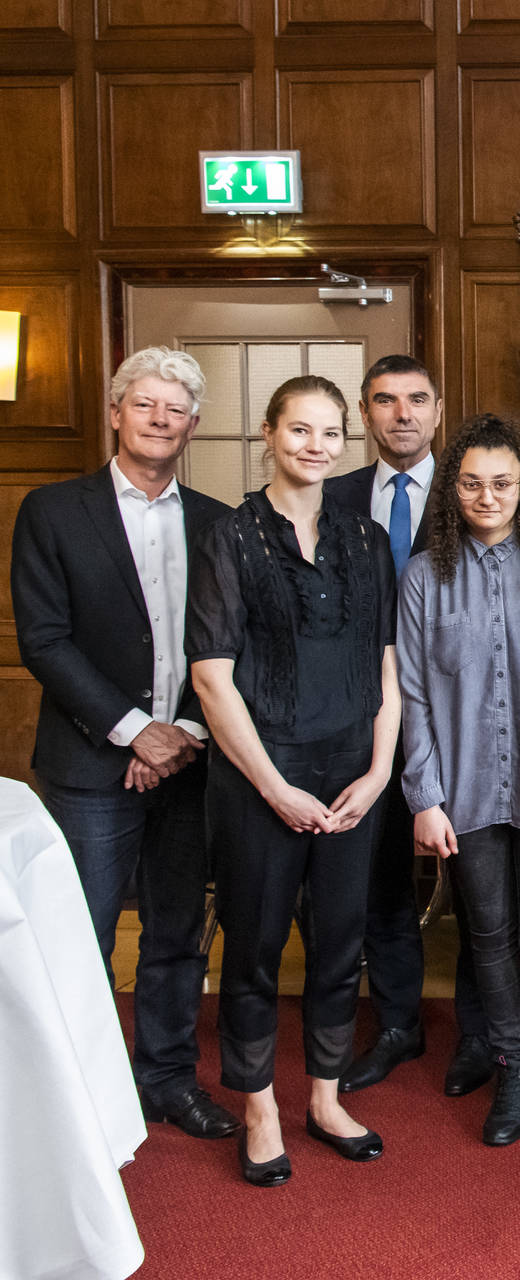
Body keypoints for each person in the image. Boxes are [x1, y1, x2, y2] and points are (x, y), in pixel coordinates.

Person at [11, 346, 235, 1140]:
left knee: (176, 933)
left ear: (194, 426)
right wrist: (138, 733)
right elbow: (44, 640)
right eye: (144, 404)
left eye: (176, 410)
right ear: (115, 413)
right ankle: (82, 1098)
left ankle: (168, 1078)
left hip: (191, 765)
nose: (160, 419)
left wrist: (184, 736)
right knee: (85, 935)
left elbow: (234, 644)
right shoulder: (52, 510)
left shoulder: (218, 521)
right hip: (89, 765)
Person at [187, 375, 400, 1186]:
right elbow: (212, 680)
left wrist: (380, 771)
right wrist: (275, 787)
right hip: (259, 778)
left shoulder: (368, 541)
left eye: (329, 432)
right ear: (268, 436)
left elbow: (387, 665)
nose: (315, 446)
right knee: (256, 948)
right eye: (298, 430)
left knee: (342, 945)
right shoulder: (229, 538)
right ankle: (261, 1106)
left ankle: (325, 1095)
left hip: (351, 774)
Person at [400, 415, 520, 1146]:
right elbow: (414, 691)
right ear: (453, 488)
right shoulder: (425, 575)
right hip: (463, 792)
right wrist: (423, 796)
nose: (488, 496)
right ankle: (512, 1066)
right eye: (473, 482)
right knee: (487, 935)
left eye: (503, 483)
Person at [330, 355, 492, 1101]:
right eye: (385, 400)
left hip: (456, 718)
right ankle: (397, 1023)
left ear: (438, 410)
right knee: (379, 882)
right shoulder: (328, 499)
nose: (402, 413)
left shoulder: (477, 496)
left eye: (417, 399)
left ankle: (481, 1034)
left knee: (475, 886)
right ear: (364, 413)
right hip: (354, 717)